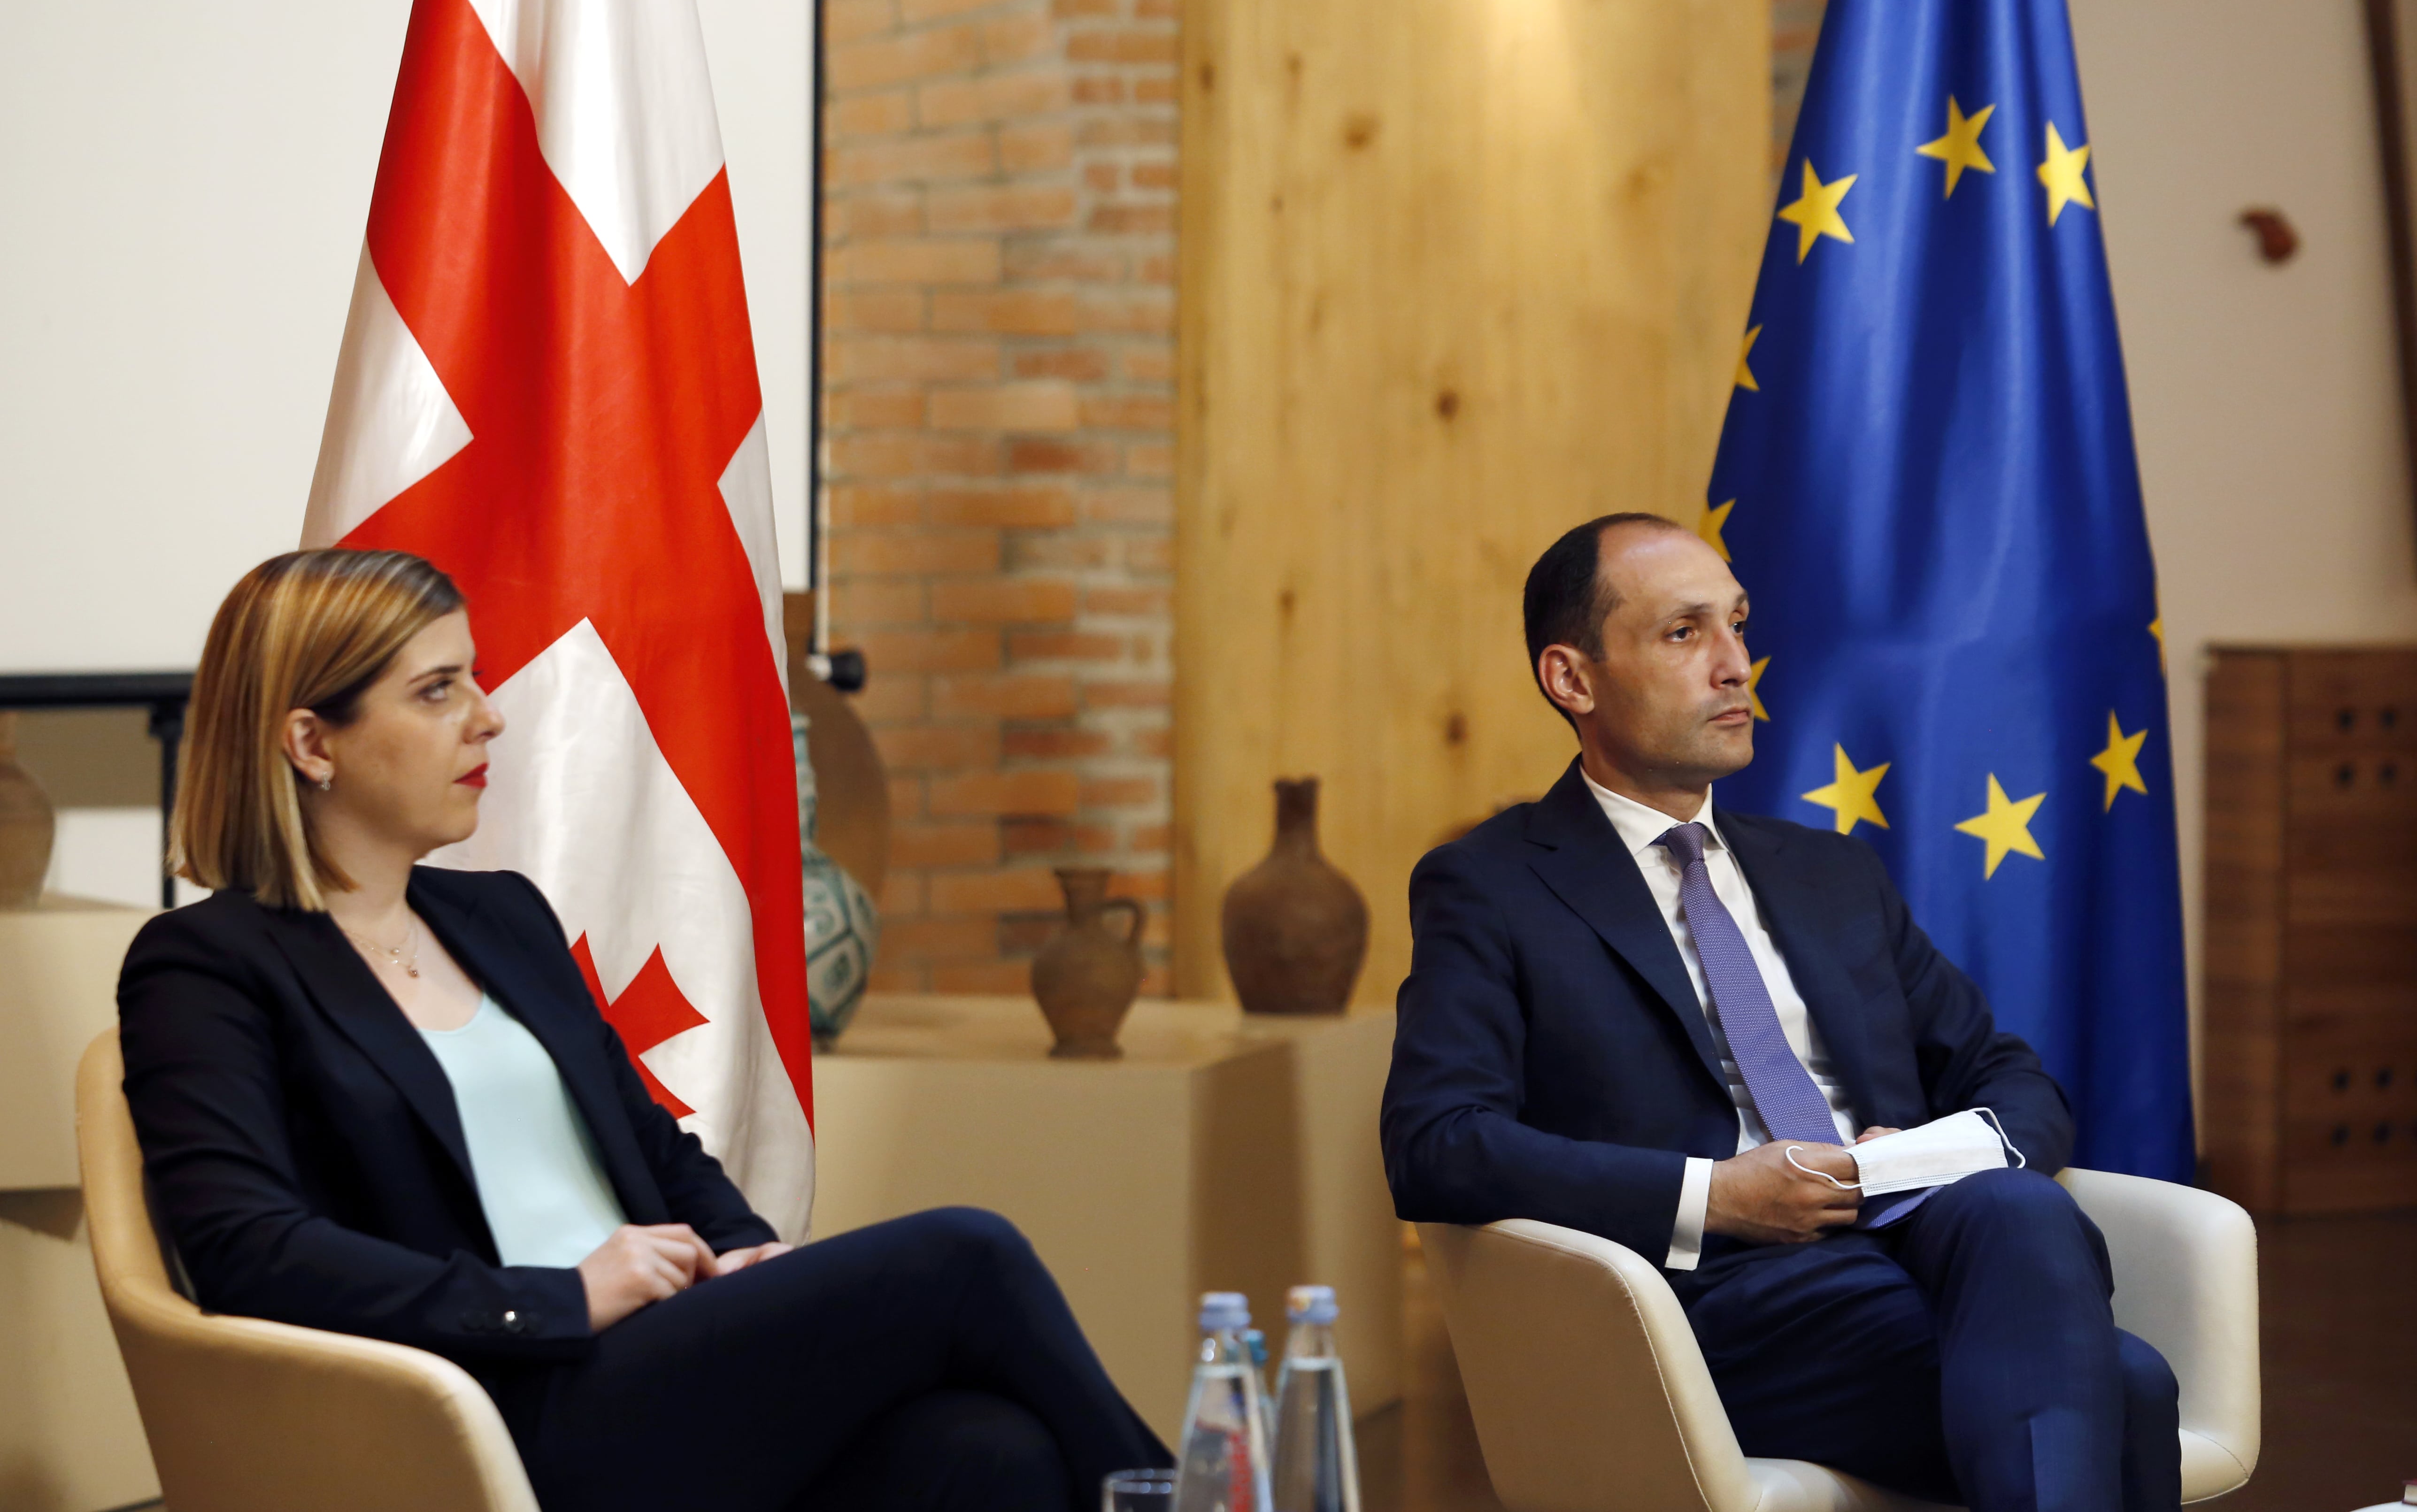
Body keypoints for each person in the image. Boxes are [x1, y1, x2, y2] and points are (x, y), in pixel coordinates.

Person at [119, 549, 1169, 1512]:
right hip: (494, 1404)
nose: (488, 718)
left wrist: (748, 1257)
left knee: (991, 1452)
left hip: (654, 1361)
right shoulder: (206, 966)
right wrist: (555, 1301)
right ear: (312, 743)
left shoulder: (502, 918)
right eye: (438, 691)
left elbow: (653, 1145)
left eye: (474, 678)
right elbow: (252, 1252)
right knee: (965, 1255)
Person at [1380, 514, 2182, 1512]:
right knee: (2130, 1388)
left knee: (2013, 1203)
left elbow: (2010, 1077)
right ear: (1572, 679)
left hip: (1914, 1244)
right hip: (1708, 1300)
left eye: (1739, 626)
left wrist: (1915, 1161)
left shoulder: (1829, 872)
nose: (1736, 667)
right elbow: (1437, 1143)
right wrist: (1715, 1195)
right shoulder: (1491, 886)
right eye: (1685, 633)